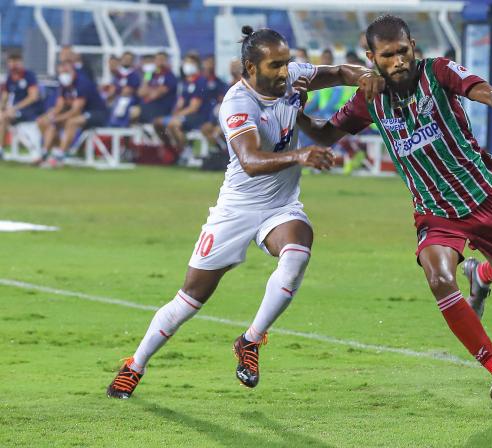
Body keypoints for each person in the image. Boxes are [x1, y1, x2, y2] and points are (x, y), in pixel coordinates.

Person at [106, 25, 384, 399]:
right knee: (188, 300)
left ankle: (251, 341)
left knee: (298, 251)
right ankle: (134, 365)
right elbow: (251, 160)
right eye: (275, 65)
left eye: (286, 62)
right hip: (236, 209)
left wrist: (367, 76)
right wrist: (300, 154)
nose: (285, 71)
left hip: (280, 207)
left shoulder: (292, 77)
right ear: (250, 68)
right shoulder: (238, 103)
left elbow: (337, 73)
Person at [296, 15, 492, 406]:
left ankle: (480, 273)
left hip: (481, 195)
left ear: (413, 47)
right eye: (388, 55)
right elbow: (325, 134)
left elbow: (473, 86)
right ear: (371, 56)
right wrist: (298, 112)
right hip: (433, 211)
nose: (399, 61)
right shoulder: (368, 99)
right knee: (439, 279)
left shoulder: (436, 72)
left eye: (403, 51)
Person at [36, 61, 108, 167]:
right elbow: (59, 106)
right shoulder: (63, 85)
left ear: (72, 71)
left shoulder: (82, 83)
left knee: (71, 122)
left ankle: (60, 155)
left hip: (96, 113)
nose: (63, 75)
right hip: (80, 114)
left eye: (66, 71)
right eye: (61, 72)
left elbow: (76, 111)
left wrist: (57, 118)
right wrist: (50, 116)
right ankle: (45, 153)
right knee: (46, 122)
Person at [155, 53, 213, 162]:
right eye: (186, 62)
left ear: (197, 65)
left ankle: (184, 151)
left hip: (198, 116)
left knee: (173, 124)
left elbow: (194, 107)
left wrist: (177, 115)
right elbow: (180, 102)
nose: (187, 65)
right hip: (184, 115)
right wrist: (175, 112)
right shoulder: (184, 82)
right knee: (158, 123)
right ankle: (171, 149)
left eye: (191, 62)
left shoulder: (200, 81)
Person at [0, 53, 44, 151]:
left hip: (31, 110)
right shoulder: (9, 77)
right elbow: (5, 96)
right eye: (10, 62)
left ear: (21, 62)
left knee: (5, 117)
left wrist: (15, 108)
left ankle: (32, 147)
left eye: (15, 62)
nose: (13, 65)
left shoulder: (29, 76)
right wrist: (2, 108)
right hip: (16, 111)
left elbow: (33, 97)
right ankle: (1, 149)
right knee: (3, 117)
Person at [137, 51, 177, 126]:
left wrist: (148, 91)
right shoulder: (150, 74)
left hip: (160, 108)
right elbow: (140, 93)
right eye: (158, 59)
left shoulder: (169, 76)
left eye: (162, 59)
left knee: (136, 112)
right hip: (147, 106)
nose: (160, 62)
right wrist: (147, 76)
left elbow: (154, 95)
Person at [107, 52, 141, 127]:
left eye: (129, 59)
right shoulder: (118, 74)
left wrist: (116, 93)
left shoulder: (135, 74)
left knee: (122, 102)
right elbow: (112, 89)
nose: (127, 61)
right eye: (125, 59)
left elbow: (127, 91)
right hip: (117, 97)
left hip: (130, 100)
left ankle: (119, 125)